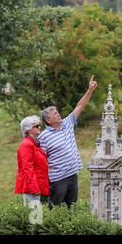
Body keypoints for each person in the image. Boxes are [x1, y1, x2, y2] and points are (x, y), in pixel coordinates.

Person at [38, 75, 97, 209]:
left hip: (72, 175)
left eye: (58, 112)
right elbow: (41, 161)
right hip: (58, 180)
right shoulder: (44, 137)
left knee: (72, 209)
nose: (58, 114)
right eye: (55, 114)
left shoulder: (67, 123)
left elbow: (80, 106)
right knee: (56, 209)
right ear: (48, 120)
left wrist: (90, 90)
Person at [14, 115, 49, 207]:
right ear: (28, 129)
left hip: (37, 186)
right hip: (31, 188)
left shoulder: (34, 144)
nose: (39, 127)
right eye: (36, 126)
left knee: (37, 216)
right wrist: (33, 188)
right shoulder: (27, 145)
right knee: (34, 217)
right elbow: (27, 168)